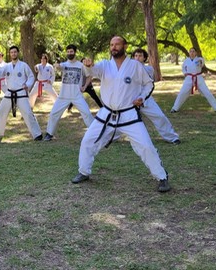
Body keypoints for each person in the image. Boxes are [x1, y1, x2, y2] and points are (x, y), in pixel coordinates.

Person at [71, 36, 171, 193]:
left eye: (117, 44)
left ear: (125, 45)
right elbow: (92, 70)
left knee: (145, 145)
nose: (114, 47)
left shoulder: (135, 66)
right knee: (88, 141)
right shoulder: (104, 65)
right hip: (107, 113)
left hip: (128, 114)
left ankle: (161, 177)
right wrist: (88, 66)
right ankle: (83, 172)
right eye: (111, 44)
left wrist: (142, 97)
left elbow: (148, 84)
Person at [0, 45, 43, 141]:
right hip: (9, 92)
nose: (13, 53)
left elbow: (31, 76)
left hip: (21, 92)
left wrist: (27, 84)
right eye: (11, 52)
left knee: (27, 113)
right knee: (1, 112)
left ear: (18, 53)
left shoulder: (23, 65)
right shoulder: (7, 66)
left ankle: (37, 134)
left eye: (15, 52)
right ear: (10, 54)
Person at [44, 45, 94, 141]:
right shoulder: (64, 65)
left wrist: (84, 86)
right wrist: (57, 66)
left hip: (77, 95)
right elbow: (58, 67)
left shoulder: (81, 65)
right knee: (54, 113)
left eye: (71, 51)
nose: (69, 53)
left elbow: (89, 75)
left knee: (87, 113)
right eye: (68, 52)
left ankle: (94, 133)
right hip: (63, 96)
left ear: (75, 52)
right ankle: (49, 133)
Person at [132, 48, 180, 144]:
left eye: (140, 56)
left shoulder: (149, 69)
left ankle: (172, 137)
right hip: (130, 99)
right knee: (118, 119)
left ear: (144, 58)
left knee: (159, 116)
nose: (137, 58)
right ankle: (108, 137)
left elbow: (148, 85)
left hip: (145, 98)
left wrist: (142, 98)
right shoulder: (127, 69)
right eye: (135, 56)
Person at [170, 47, 216, 113]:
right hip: (189, 78)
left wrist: (200, 63)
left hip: (198, 78)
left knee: (207, 92)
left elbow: (201, 63)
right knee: (182, 93)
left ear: (196, 53)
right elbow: (183, 68)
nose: (192, 53)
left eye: (193, 51)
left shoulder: (199, 59)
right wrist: (185, 73)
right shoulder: (186, 61)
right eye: (190, 51)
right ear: (189, 53)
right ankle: (175, 108)